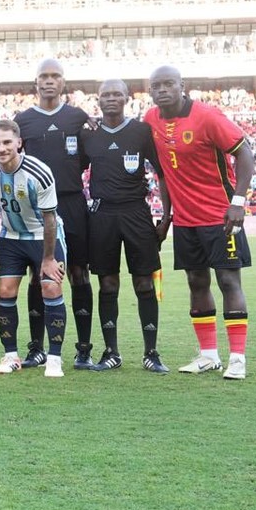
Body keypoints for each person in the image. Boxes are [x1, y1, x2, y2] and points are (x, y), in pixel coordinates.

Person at [145, 65, 253, 380]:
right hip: (186, 221)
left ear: (183, 86)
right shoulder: (150, 119)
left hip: (221, 216)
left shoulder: (207, 116)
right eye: (156, 86)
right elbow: (164, 173)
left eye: (168, 84)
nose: (162, 90)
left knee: (229, 281)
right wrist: (167, 217)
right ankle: (208, 355)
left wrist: (238, 202)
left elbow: (245, 152)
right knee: (196, 282)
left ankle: (237, 359)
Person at [80, 79, 169, 373]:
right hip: (102, 215)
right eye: (105, 94)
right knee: (107, 284)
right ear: (98, 99)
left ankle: (151, 353)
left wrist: (166, 217)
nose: (111, 98)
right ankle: (111, 352)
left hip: (136, 213)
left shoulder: (142, 131)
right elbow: (72, 170)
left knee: (144, 283)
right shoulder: (88, 134)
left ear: (127, 98)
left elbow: (163, 174)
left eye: (117, 94)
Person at [14, 59, 94, 369]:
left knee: (78, 272)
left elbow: (85, 160)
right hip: (36, 209)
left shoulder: (78, 118)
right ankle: (36, 347)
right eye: (44, 76)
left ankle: (84, 349)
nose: (49, 81)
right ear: (35, 82)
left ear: (63, 82)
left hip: (71, 203)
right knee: (38, 275)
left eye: (55, 76)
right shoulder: (23, 121)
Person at [0, 120, 69, 377]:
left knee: (51, 288)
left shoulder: (38, 172)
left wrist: (48, 258)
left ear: (19, 143)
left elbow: (50, 219)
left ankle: (54, 358)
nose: (1, 148)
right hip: (11, 237)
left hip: (44, 236)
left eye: (7, 142)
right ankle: (10, 356)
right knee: (5, 290)